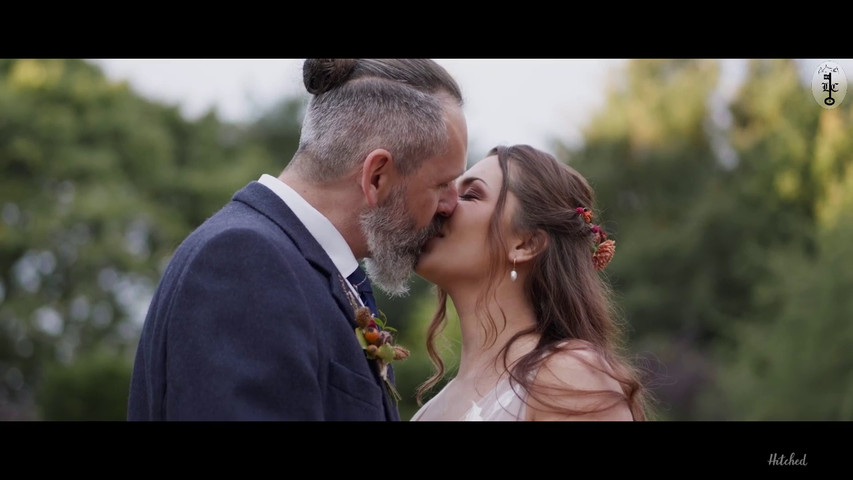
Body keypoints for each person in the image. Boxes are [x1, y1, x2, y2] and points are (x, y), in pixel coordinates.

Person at [127, 59, 467, 420]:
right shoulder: (247, 263)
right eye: (442, 183)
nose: (451, 204)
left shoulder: (297, 265)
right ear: (377, 177)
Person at [410, 144, 650, 421]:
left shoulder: (569, 378)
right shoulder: (428, 412)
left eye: (470, 195)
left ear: (526, 243)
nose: (444, 205)